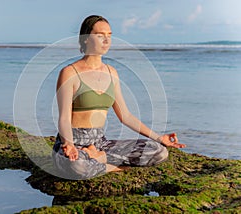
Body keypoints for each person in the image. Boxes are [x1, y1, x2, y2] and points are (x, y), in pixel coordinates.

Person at [52, 15, 186, 180]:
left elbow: (126, 116)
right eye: (100, 35)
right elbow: (64, 118)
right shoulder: (69, 73)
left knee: (159, 151)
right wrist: (69, 144)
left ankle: (98, 158)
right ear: (86, 38)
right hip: (74, 143)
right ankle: (111, 166)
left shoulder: (111, 73)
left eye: (109, 35)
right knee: (77, 166)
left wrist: (159, 137)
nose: (106, 40)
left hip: (101, 143)